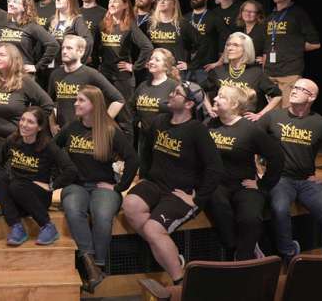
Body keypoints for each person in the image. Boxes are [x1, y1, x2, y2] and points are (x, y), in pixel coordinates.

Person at [122, 81, 222, 286]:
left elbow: (215, 168)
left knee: (152, 230)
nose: (171, 94)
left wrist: (198, 198)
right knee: (130, 205)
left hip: (180, 192)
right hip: (155, 183)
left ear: (189, 104)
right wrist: (144, 176)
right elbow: (147, 150)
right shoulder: (159, 121)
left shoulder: (197, 130)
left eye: (177, 93)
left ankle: (180, 280)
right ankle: (167, 253)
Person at [55, 85, 139, 293]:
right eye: (76, 99)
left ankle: (97, 265)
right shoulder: (72, 128)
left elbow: (133, 159)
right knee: (74, 211)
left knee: (102, 215)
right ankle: (91, 265)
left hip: (103, 185)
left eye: (81, 100)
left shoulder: (110, 131)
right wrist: (61, 172)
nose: (75, 103)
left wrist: (119, 186)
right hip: (76, 185)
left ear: (94, 104)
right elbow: (52, 148)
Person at [259, 78, 322, 262]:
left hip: (307, 181)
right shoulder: (273, 117)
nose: (294, 90)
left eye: (301, 89)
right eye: (294, 87)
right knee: (279, 208)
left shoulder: (321, 124)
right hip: (281, 179)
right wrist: (257, 171)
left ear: (312, 97)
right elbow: (250, 142)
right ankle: (289, 254)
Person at [205, 86, 284, 260]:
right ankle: (233, 249)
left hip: (243, 184)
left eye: (221, 97)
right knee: (219, 206)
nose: (215, 99)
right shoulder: (209, 124)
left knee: (250, 218)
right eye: (216, 95)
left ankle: (244, 258)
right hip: (217, 184)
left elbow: (276, 157)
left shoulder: (250, 129)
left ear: (233, 105)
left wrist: (263, 184)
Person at [0, 107, 78, 246]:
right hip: (17, 197)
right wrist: (4, 175)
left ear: (39, 127)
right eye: (23, 119)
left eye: (30, 122)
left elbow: (71, 169)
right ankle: (16, 227)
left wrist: (52, 186)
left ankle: (48, 226)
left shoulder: (48, 146)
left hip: (38, 198)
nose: (24, 124)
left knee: (17, 185)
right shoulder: (12, 140)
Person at [0, 43, 54, 188]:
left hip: (16, 146)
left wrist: (32, 126)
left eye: (2, 55)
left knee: (14, 187)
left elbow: (47, 105)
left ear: (13, 59)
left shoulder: (24, 82)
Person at [98, 0, 154, 137]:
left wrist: (135, 67)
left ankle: (125, 158)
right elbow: (95, 47)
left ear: (124, 5)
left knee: (124, 119)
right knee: (102, 116)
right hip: (104, 76)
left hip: (122, 78)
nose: (112, 4)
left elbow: (147, 46)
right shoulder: (103, 25)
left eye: (116, 1)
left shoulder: (129, 26)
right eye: (110, 1)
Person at [48, 35, 124, 135]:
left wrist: (101, 124)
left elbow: (119, 100)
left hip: (85, 134)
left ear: (81, 52)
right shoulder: (55, 74)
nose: (64, 51)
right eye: (63, 48)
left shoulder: (91, 74)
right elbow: (48, 103)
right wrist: (52, 124)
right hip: (63, 134)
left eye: (69, 48)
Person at [263, 0, 321, 107]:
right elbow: (267, 44)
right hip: (269, 73)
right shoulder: (271, 16)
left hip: (289, 72)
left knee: (287, 113)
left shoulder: (298, 14)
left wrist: (294, 48)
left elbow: (315, 44)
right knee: (271, 114)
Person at [202, 32, 282, 121]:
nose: (230, 48)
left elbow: (277, 95)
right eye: (228, 45)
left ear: (246, 49)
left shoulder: (256, 73)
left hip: (247, 124)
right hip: (224, 121)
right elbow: (201, 90)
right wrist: (209, 109)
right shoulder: (218, 71)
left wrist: (260, 114)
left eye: (235, 45)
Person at [130, 48, 181, 169]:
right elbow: (131, 107)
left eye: (157, 60)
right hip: (144, 139)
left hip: (165, 140)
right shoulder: (143, 85)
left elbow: (181, 112)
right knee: (144, 173)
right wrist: (137, 122)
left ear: (166, 66)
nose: (151, 61)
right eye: (151, 58)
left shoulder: (173, 86)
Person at [0, 0, 59, 76]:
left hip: (22, 75)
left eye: (15, 2)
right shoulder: (1, 25)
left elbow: (54, 45)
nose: (10, 4)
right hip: (3, 74)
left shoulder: (32, 27)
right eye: (10, 1)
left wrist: (37, 67)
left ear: (25, 7)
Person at [146, 0, 198, 77]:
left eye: (166, 0)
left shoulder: (182, 24)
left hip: (175, 73)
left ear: (174, 4)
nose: (162, 2)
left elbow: (202, 44)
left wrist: (191, 65)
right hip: (154, 73)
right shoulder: (150, 24)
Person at [183, 0, 226, 85]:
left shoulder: (214, 17)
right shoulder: (184, 18)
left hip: (206, 69)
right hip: (187, 68)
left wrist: (220, 61)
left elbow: (229, 38)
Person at [79, 0, 106, 66]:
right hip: (75, 60)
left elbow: (106, 40)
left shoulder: (104, 13)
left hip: (93, 63)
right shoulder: (75, 12)